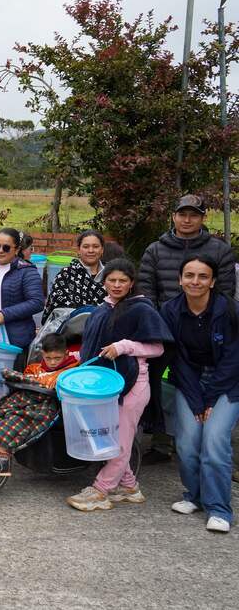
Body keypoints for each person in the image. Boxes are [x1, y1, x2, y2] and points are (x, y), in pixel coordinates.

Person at [66, 258, 172, 511]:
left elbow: (158, 347)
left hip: (133, 386)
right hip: (103, 388)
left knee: (120, 441)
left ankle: (101, 490)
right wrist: (76, 358)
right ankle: (128, 486)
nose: (116, 285)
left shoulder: (141, 309)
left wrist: (124, 346)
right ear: (103, 283)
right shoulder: (100, 310)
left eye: (122, 280)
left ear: (131, 283)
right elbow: (96, 348)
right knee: (113, 436)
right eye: (111, 280)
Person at [138, 194, 236, 465]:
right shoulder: (155, 250)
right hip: (165, 330)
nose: (187, 219)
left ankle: (208, 441)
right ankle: (161, 440)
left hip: (206, 331)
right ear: (173, 216)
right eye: (183, 214)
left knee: (208, 382)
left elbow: (225, 293)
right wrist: (158, 326)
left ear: (203, 218)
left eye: (194, 214)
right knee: (163, 384)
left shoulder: (219, 250)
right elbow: (147, 292)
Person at [161, 256, 239, 533]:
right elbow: (177, 358)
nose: (196, 281)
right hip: (189, 381)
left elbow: (233, 359)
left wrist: (209, 399)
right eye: (190, 275)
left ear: (213, 281)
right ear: (180, 279)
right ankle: (193, 495)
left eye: (203, 276)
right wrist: (196, 399)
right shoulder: (170, 310)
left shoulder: (229, 310)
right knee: (187, 442)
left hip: (227, 384)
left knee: (215, 442)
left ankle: (219, 509)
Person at [0, 333, 80, 476]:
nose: (52, 362)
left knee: (20, 418)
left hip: (47, 405)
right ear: (42, 354)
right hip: (25, 398)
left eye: (57, 358)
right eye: (48, 358)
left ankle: (2, 455)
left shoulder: (71, 371)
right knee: (1, 411)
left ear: (66, 354)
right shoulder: (35, 368)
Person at [0, 228, 44, 364]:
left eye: (6, 247)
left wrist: (6, 314)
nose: (0, 250)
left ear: (17, 249)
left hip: (10, 341)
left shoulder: (26, 271)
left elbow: (37, 302)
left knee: (8, 384)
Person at [43, 229, 107, 317]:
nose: (91, 250)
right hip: (72, 328)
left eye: (96, 246)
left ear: (102, 249)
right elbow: (57, 308)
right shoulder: (66, 275)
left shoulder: (110, 275)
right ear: (78, 250)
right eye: (86, 246)